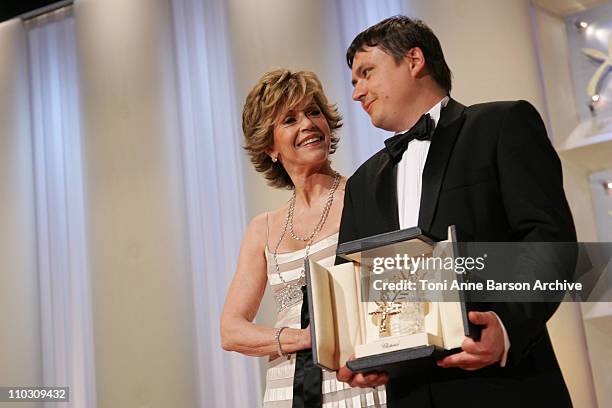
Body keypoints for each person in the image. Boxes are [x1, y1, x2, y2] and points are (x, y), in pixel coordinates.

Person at [333, 16, 576, 407]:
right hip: (410, 395)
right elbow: (352, 281)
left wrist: (506, 325)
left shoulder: (501, 124)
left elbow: (548, 241)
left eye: (366, 73)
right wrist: (355, 352)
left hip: (505, 386)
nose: (358, 92)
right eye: (355, 82)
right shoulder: (361, 183)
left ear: (414, 60)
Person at [220, 69, 386, 407]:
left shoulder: (364, 195)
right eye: (290, 119)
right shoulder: (263, 228)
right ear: (269, 146)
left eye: (314, 112)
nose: (308, 124)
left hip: (357, 383)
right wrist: (304, 338)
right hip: (285, 392)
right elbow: (231, 330)